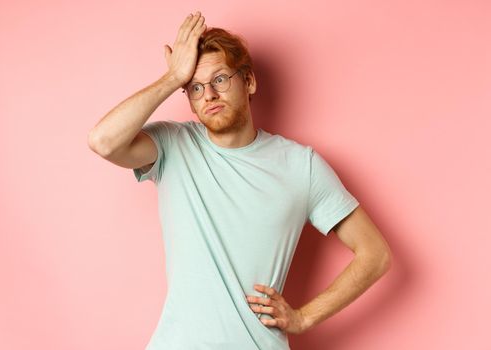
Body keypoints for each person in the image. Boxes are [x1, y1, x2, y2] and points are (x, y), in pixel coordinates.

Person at [88, 10, 392, 350]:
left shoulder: (300, 166)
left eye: (219, 80)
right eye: (196, 87)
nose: (209, 95)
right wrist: (173, 78)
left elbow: (375, 254)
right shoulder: (173, 146)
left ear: (248, 81)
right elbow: (103, 141)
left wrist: (305, 317)